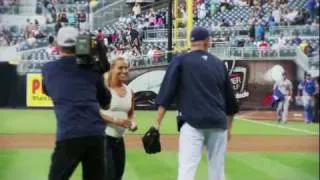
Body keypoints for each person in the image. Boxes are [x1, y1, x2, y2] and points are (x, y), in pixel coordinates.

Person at [152, 27, 239, 180]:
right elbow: (230, 103)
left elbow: (167, 92)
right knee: (217, 171)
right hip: (219, 124)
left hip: (192, 123)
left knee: (187, 169)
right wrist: (229, 129)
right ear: (206, 42)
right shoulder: (219, 64)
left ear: (191, 42)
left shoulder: (181, 59)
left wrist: (156, 124)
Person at [42, 27, 111, 180]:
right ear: (80, 44)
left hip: (68, 134)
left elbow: (48, 91)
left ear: (58, 45)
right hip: (95, 134)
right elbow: (106, 103)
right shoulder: (93, 68)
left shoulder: (48, 69)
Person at [99, 57, 138, 180]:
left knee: (117, 176)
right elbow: (92, 112)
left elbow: (131, 113)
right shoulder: (103, 89)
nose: (124, 71)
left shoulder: (129, 91)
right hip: (103, 139)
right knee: (109, 176)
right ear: (112, 69)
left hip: (119, 141)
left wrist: (133, 122)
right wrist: (116, 120)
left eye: (126, 68)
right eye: (120, 68)